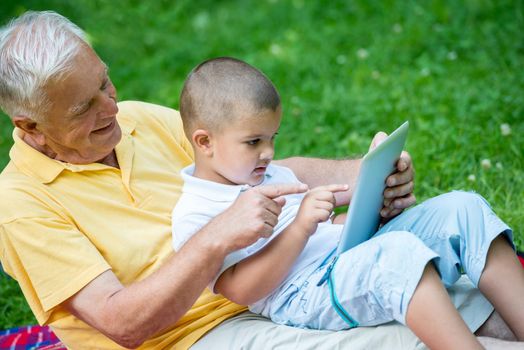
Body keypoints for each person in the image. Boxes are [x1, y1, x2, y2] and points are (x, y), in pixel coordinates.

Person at [0, 10, 521, 350]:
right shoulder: (20, 205)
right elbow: (122, 323)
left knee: (471, 289)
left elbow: (249, 168)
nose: (111, 106)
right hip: (197, 336)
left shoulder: (132, 118)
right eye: (85, 106)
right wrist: (221, 236)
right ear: (30, 125)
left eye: (106, 81)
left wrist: (365, 176)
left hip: (296, 274)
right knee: (402, 328)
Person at [171, 57, 524, 349]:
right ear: (205, 142)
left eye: (272, 137)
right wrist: (300, 229)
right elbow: (241, 290)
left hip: (341, 261)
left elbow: (329, 230)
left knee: (464, 209)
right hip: (300, 294)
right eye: (253, 142)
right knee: (396, 256)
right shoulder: (197, 212)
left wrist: (373, 200)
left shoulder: (268, 174)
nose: (269, 152)